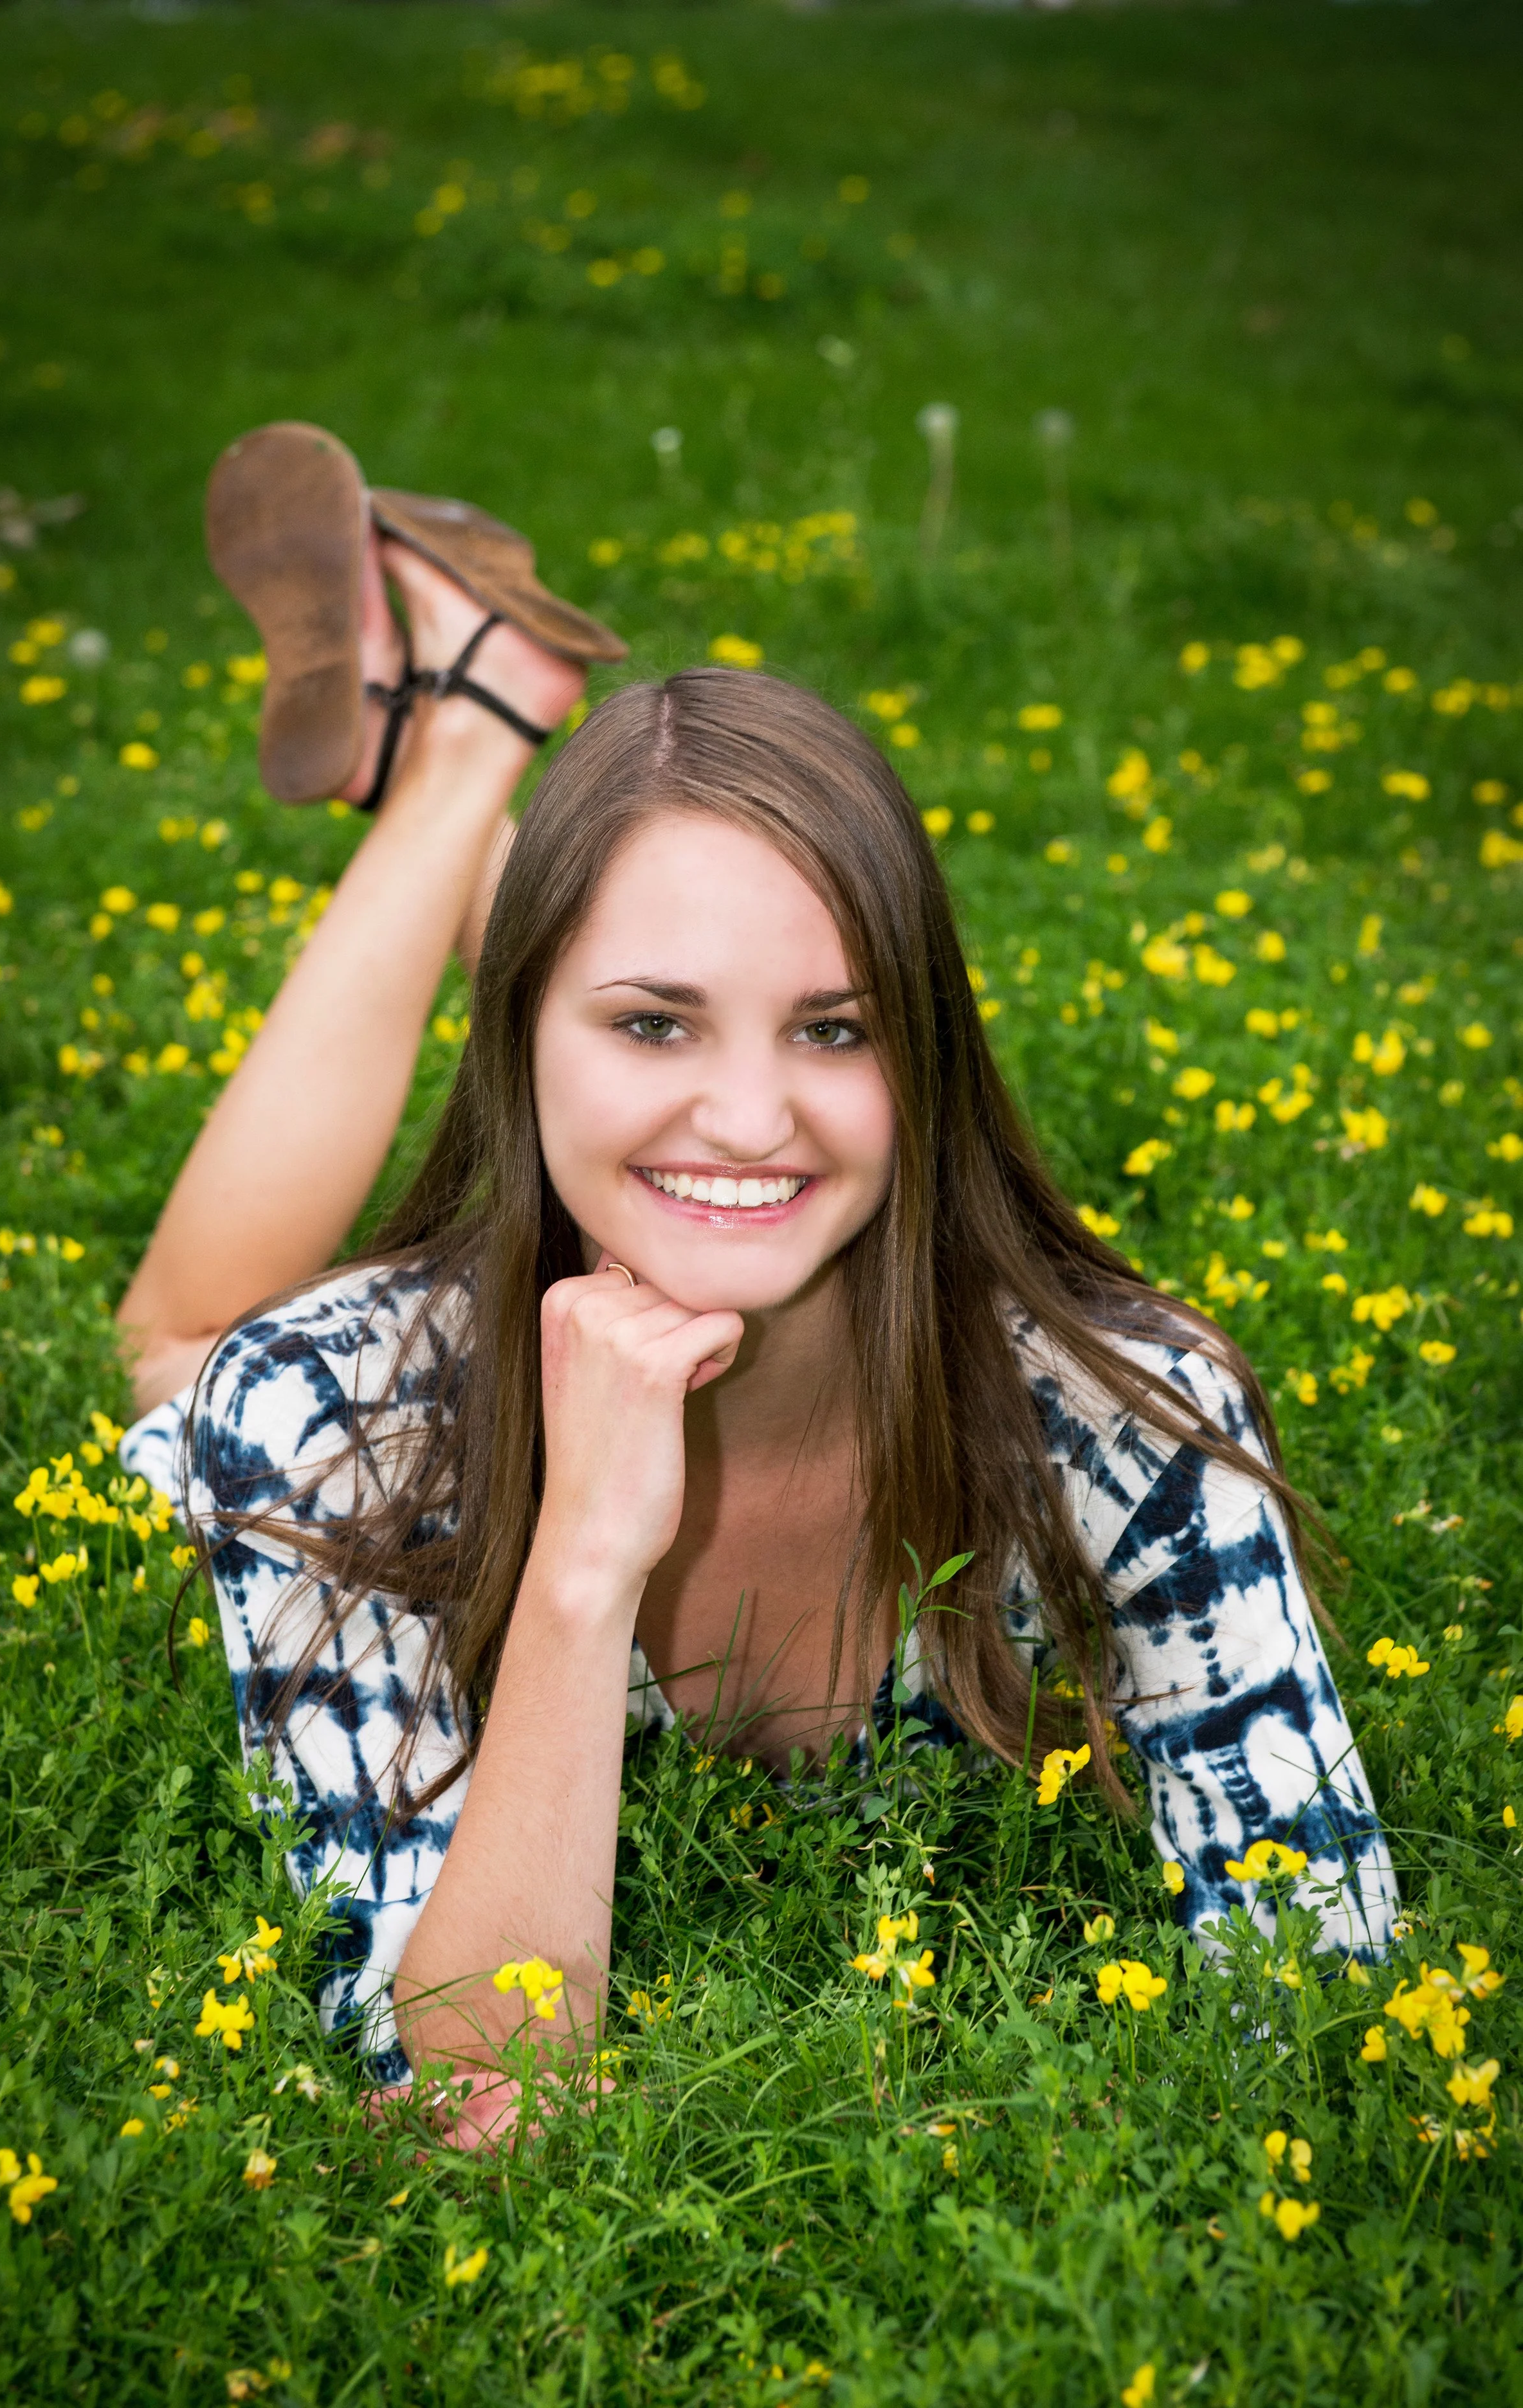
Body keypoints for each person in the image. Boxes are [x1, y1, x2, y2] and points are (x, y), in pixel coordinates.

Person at [118, 424, 1399, 2150]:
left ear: (921, 1057)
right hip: (408, 1363)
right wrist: (581, 1570)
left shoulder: (1118, 1420)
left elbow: (1324, 1994)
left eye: (835, 1028)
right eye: (651, 1022)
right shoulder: (334, 1420)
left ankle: (474, 726)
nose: (748, 1113)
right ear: (513, 1043)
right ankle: (465, 756)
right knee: (191, 1357)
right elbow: (468, 2099)